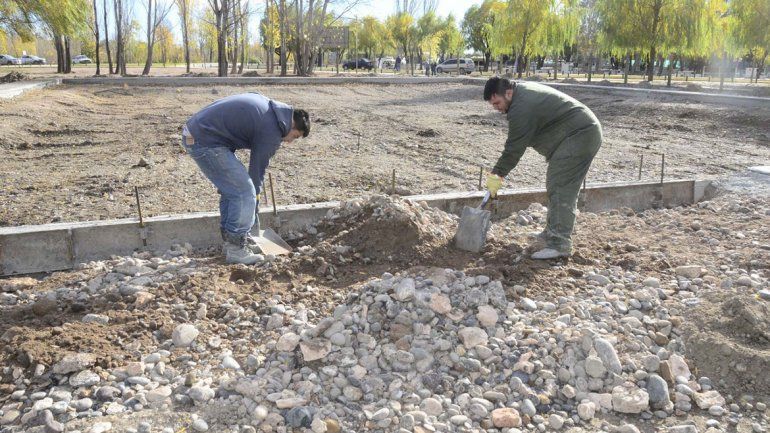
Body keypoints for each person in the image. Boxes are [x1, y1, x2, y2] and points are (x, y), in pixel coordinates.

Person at [182, 93, 310, 264]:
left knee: (233, 191)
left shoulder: (270, 110)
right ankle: (236, 248)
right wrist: (253, 212)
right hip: (204, 140)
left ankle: (233, 243)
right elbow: (256, 173)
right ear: (292, 124)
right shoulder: (272, 131)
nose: (289, 142)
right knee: (244, 192)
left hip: (199, 133)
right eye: (294, 136)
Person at [483, 77, 602, 260]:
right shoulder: (521, 95)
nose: (496, 108)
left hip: (580, 135)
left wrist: (497, 174)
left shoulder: (521, 107)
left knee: (560, 185)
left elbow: (514, 148)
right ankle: (552, 232)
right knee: (557, 184)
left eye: (497, 103)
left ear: (508, 93)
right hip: (578, 133)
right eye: (493, 105)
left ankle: (560, 243)